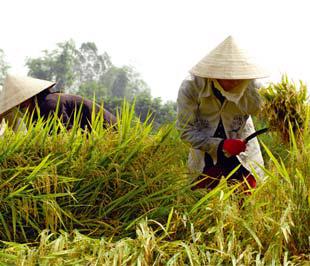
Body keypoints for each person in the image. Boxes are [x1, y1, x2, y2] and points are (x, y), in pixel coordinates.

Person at [176, 36, 269, 192]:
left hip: (241, 145)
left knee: (246, 195)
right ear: (215, 75)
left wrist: (284, 116)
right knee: (199, 197)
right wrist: (220, 145)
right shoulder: (192, 87)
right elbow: (185, 130)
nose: (235, 82)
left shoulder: (252, 87)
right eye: (229, 77)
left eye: (238, 76)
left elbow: (267, 112)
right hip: (206, 149)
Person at [0, 74, 116, 132]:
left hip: (111, 133)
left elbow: (66, 137)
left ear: (28, 99)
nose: (22, 110)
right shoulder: (40, 110)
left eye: (21, 106)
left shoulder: (49, 104)